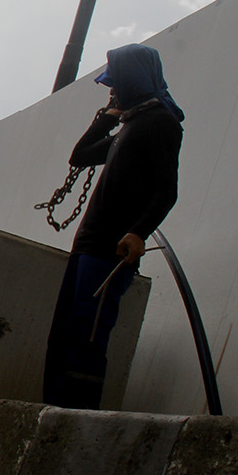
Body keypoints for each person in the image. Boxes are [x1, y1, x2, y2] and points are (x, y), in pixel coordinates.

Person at [43, 43, 183, 409]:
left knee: (88, 337)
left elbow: (167, 190)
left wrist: (138, 231)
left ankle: (76, 414)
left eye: (116, 83)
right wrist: (107, 116)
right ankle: (53, 408)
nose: (111, 90)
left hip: (110, 251)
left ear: (132, 79)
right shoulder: (130, 125)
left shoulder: (161, 123)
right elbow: (80, 155)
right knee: (64, 334)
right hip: (86, 247)